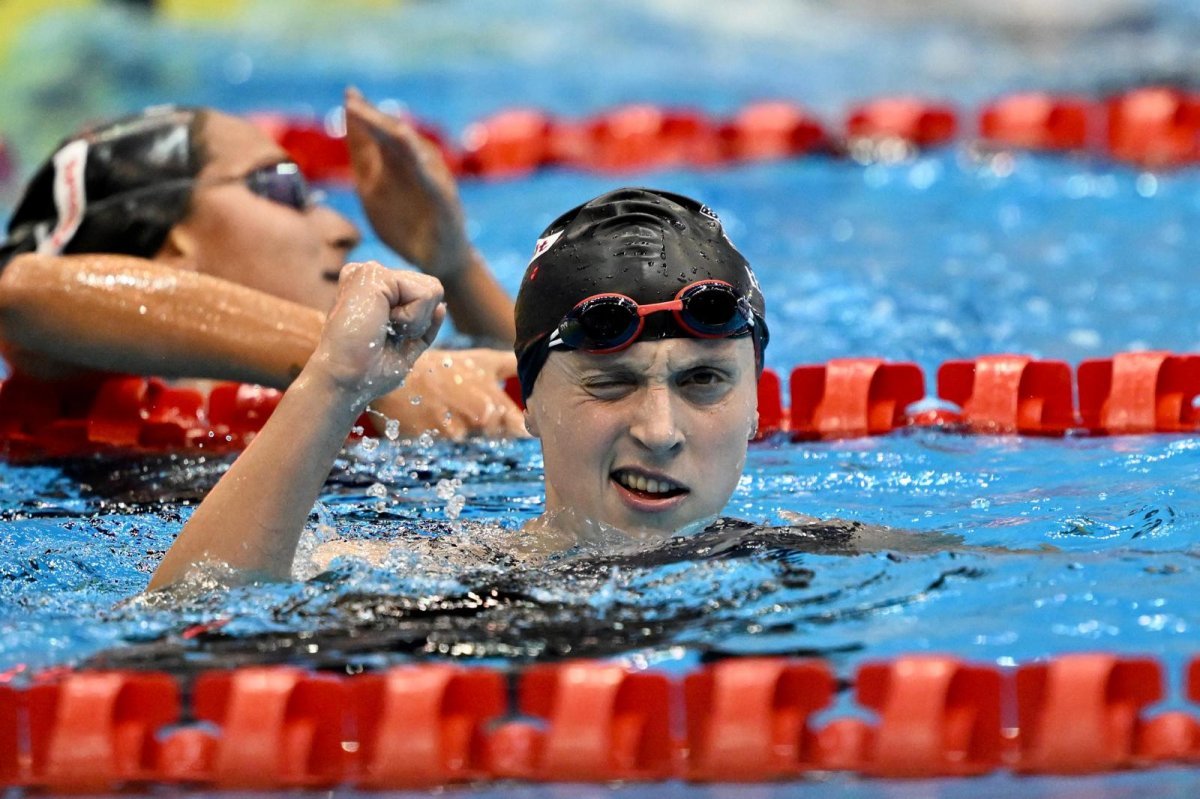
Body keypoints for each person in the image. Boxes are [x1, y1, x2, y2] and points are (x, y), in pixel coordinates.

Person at [148, 187, 775, 590]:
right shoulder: (438, 584)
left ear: (754, 401)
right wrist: (334, 384)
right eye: (611, 385)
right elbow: (191, 622)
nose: (659, 432)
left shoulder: (826, 559)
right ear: (527, 403)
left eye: (703, 380)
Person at [0, 88, 524, 441]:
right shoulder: (71, 402)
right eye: (282, 187)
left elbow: (549, 402)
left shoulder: (342, 401)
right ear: (174, 246)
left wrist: (456, 266)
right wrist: (353, 365)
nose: (346, 230)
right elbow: (21, 293)